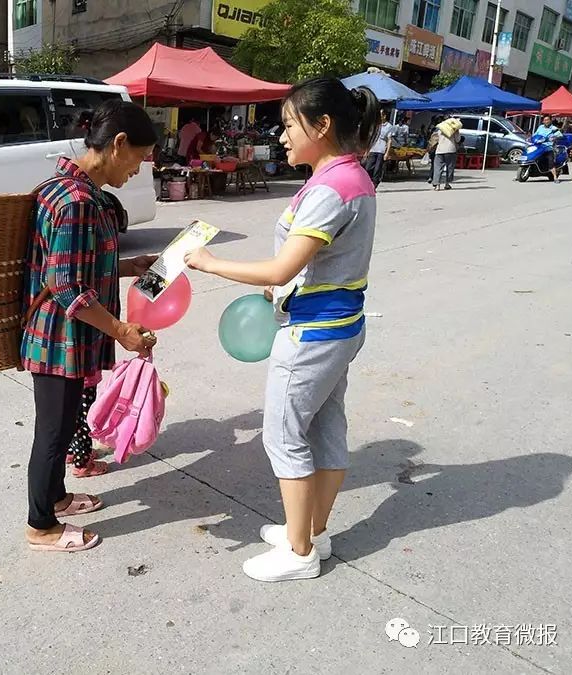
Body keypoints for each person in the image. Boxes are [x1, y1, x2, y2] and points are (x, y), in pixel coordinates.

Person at [184, 77, 381, 582]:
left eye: (290, 124)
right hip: (340, 325)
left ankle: (299, 552)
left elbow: (281, 267)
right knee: (326, 428)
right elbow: (311, 263)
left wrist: (209, 262)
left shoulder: (331, 188)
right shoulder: (350, 176)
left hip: (313, 333)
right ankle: (313, 532)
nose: (282, 135)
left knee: (284, 435)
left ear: (323, 125)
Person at [21, 99, 160, 552]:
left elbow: (77, 265)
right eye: (139, 158)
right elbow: (65, 285)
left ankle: (57, 497)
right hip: (58, 337)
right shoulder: (77, 201)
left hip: (69, 334)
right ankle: (40, 525)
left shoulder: (67, 189)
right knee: (53, 432)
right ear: (118, 144)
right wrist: (121, 330)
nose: (138, 170)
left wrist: (128, 266)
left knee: (63, 425)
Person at [363, 109, 393, 189]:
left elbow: (389, 140)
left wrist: (387, 153)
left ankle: (374, 185)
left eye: (380, 115)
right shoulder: (375, 125)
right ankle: (368, 184)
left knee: (377, 169)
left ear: (384, 116)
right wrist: (366, 150)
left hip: (381, 150)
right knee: (368, 168)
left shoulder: (389, 126)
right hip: (373, 149)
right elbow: (370, 138)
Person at [432, 117, 462, 191]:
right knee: (450, 167)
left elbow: (435, 139)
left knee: (438, 168)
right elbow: (458, 140)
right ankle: (447, 184)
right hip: (451, 150)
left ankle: (437, 185)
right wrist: (457, 131)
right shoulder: (454, 129)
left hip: (439, 150)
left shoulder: (440, 128)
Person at [535, 115, 563, 183]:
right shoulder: (540, 127)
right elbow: (535, 134)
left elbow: (560, 135)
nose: (546, 121)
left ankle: (555, 177)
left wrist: (554, 137)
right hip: (538, 146)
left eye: (547, 120)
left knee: (551, 161)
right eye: (545, 120)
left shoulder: (553, 128)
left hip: (548, 147)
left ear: (550, 120)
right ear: (543, 121)